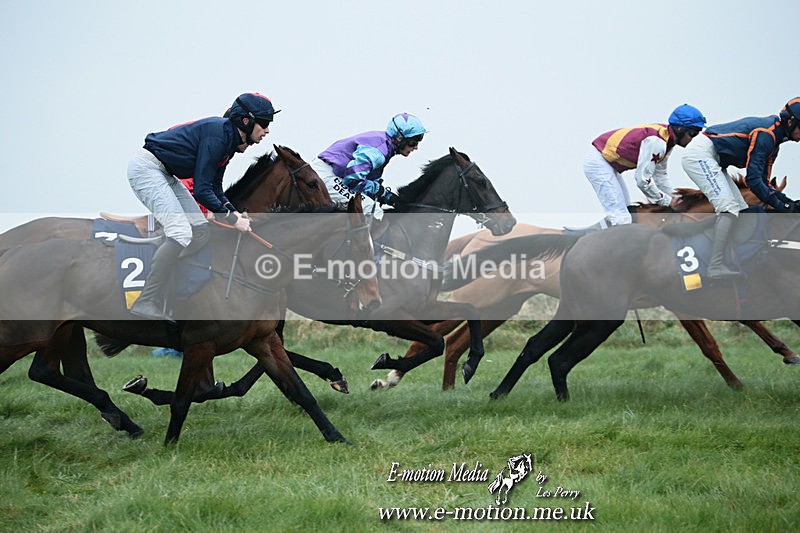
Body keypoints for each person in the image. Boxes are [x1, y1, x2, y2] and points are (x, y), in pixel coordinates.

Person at [127, 92, 278, 319]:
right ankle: (146, 300)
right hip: (148, 170)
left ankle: (165, 267)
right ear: (246, 121)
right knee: (179, 232)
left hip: (165, 173)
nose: (267, 130)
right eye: (264, 124)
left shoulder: (229, 141)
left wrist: (233, 212)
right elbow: (201, 190)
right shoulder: (219, 137)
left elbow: (215, 186)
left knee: (200, 231)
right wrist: (233, 219)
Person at [682, 97, 800, 279]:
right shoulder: (766, 135)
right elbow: (752, 180)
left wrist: (789, 203)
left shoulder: (774, 142)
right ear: (791, 122)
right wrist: (782, 206)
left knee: (742, 211)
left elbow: (764, 183)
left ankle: (730, 257)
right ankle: (714, 267)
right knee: (729, 209)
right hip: (701, 155)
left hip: (716, 160)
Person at [584, 104, 707, 226]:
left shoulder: (667, 142)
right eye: (693, 133)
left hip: (608, 164)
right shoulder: (657, 142)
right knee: (621, 217)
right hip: (599, 162)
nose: (693, 138)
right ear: (680, 129)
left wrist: (676, 198)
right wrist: (667, 201)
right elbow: (643, 181)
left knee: (628, 212)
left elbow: (660, 176)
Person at [311, 113, 427, 219]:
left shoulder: (384, 143)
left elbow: (363, 181)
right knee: (373, 211)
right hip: (326, 176)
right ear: (399, 138)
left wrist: (386, 196)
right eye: (413, 142)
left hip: (330, 174)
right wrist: (379, 191)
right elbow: (352, 178)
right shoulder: (379, 151)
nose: (416, 147)